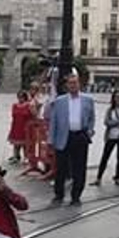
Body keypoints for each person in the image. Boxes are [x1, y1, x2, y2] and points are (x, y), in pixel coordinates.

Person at [45, 74, 94, 205]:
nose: (73, 85)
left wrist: (89, 131)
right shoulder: (59, 101)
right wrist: (50, 140)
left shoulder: (88, 100)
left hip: (80, 136)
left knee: (79, 168)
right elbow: (53, 122)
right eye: (70, 83)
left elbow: (91, 118)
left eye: (75, 83)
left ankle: (76, 196)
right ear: (67, 85)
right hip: (63, 136)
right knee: (61, 167)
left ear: (79, 84)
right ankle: (59, 194)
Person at [92, 89, 119, 187]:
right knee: (105, 157)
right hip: (111, 136)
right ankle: (98, 178)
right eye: (116, 97)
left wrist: (114, 123)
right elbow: (106, 122)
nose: (118, 99)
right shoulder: (110, 110)